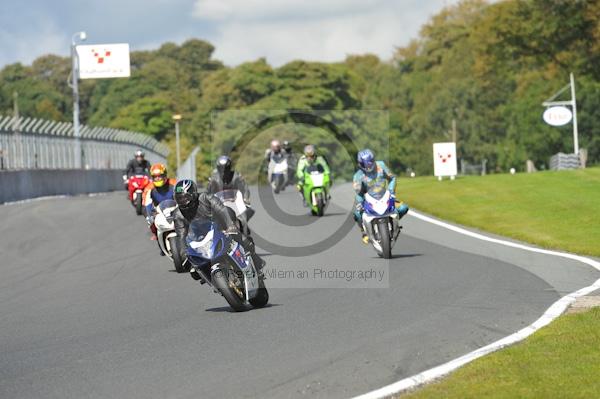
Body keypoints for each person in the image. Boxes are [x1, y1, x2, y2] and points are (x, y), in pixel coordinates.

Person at [172, 180, 265, 281]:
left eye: (186, 197)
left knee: (244, 241)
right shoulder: (178, 214)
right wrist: (184, 253)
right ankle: (213, 280)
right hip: (200, 236)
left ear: (193, 194)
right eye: (179, 198)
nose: (183, 201)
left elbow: (222, 210)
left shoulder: (206, 197)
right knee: (194, 272)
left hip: (220, 225)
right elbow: (181, 235)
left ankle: (257, 266)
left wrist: (230, 225)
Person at [352, 149, 409, 244]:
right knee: (357, 214)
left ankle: (395, 224)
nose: (368, 165)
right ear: (360, 164)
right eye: (365, 164)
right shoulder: (358, 175)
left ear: (373, 160)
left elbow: (392, 178)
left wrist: (391, 191)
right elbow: (358, 192)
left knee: (404, 208)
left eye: (370, 162)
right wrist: (360, 201)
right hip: (367, 197)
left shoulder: (381, 165)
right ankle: (364, 232)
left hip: (384, 195)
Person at [143, 163, 177, 242]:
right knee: (151, 222)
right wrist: (148, 215)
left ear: (164, 175)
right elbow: (145, 203)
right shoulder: (148, 188)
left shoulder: (174, 183)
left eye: (160, 176)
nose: (158, 178)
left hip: (175, 208)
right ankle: (157, 236)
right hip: (158, 211)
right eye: (155, 177)